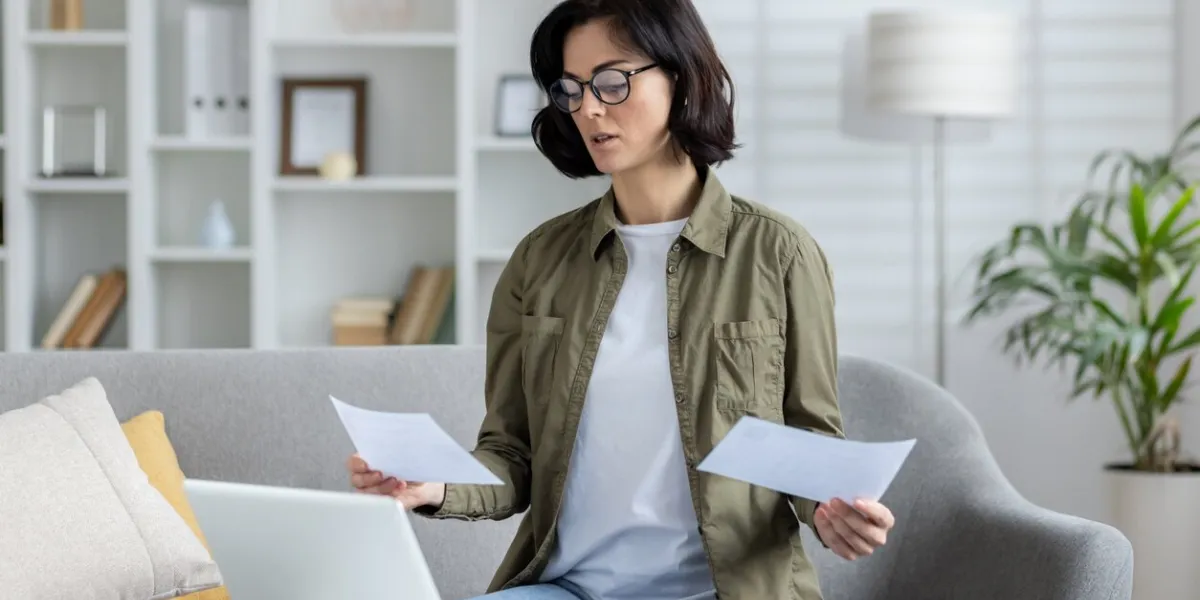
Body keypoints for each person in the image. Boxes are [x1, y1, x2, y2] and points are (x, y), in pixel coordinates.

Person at [347, 0, 896, 598]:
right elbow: (512, 455)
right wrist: (436, 484)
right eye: (572, 89)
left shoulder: (778, 253)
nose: (588, 108)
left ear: (681, 79)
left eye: (612, 82)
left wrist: (831, 510)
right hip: (570, 587)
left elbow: (811, 440)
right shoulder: (540, 260)